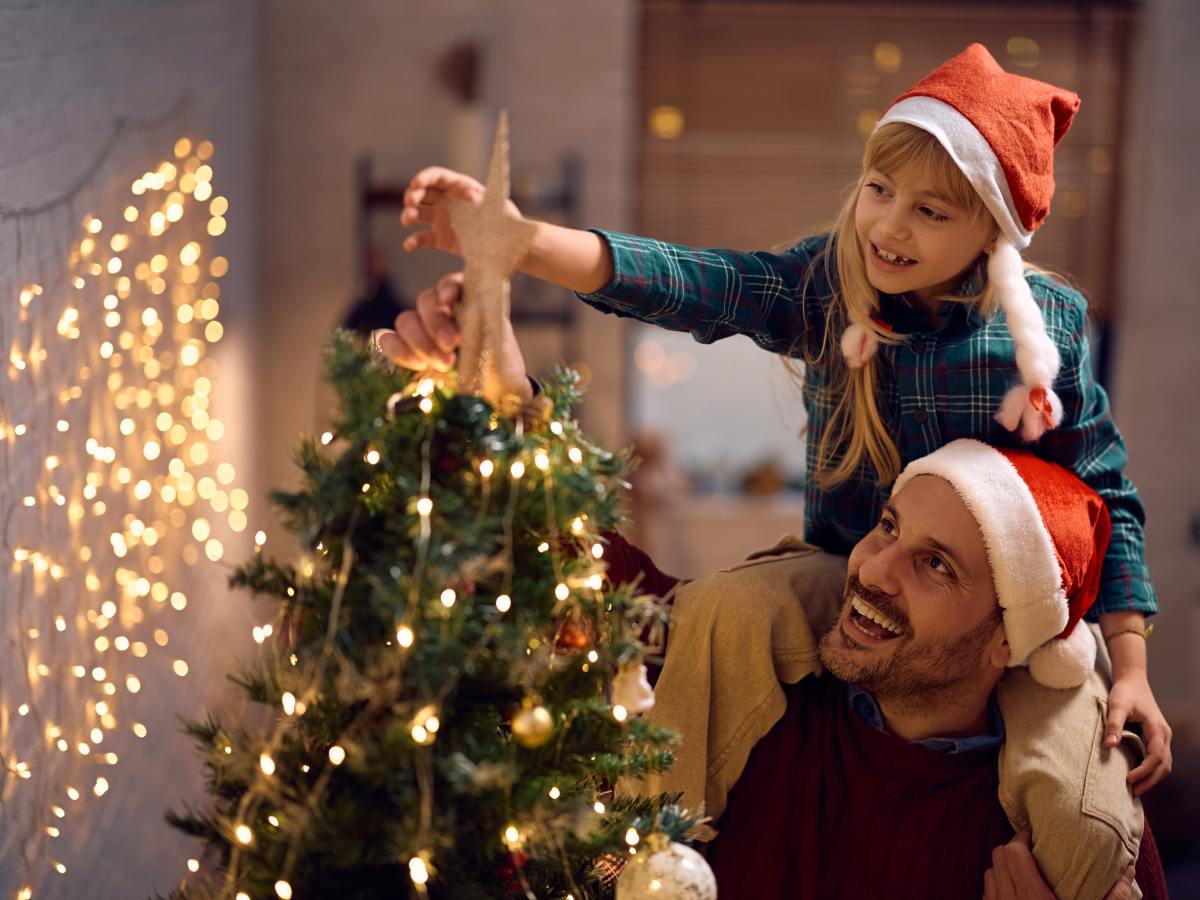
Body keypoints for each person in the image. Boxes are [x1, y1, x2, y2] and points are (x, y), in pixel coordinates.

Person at [393, 43, 1173, 791]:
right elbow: (700, 282)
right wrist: (523, 242)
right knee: (719, 618)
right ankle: (667, 834)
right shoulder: (824, 288)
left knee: (1081, 785)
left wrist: (1130, 665)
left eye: (930, 211)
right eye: (878, 189)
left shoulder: (1045, 331)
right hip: (841, 578)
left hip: (992, 624)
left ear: (991, 230)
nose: (888, 226)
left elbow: (1108, 492)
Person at [377, 279, 1162, 899]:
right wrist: (507, 402)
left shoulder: (1060, 841)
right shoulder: (751, 691)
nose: (875, 570)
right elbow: (592, 577)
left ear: (1007, 637)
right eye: (887, 528)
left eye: (937, 566)